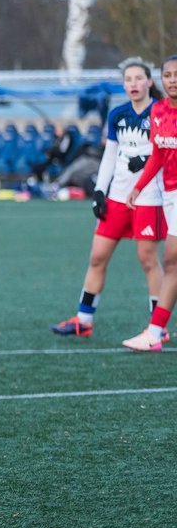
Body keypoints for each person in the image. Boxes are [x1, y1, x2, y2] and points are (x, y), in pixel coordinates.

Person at [53, 58, 165, 337]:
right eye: (128, 80)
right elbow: (110, 155)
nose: (134, 84)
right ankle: (83, 320)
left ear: (150, 82)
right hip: (116, 198)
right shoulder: (117, 115)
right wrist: (100, 191)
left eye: (139, 78)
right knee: (97, 257)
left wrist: (147, 161)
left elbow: (167, 153)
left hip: (149, 197)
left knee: (148, 260)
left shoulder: (163, 113)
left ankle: (157, 327)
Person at [124, 55, 177, 351]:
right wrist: (138, 187)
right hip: (169, 194)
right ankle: (156, 332)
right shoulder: (158, 110)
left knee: (171, 260)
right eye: (168, 75)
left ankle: (155, 332)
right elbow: (157, 155)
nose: (173, 79)